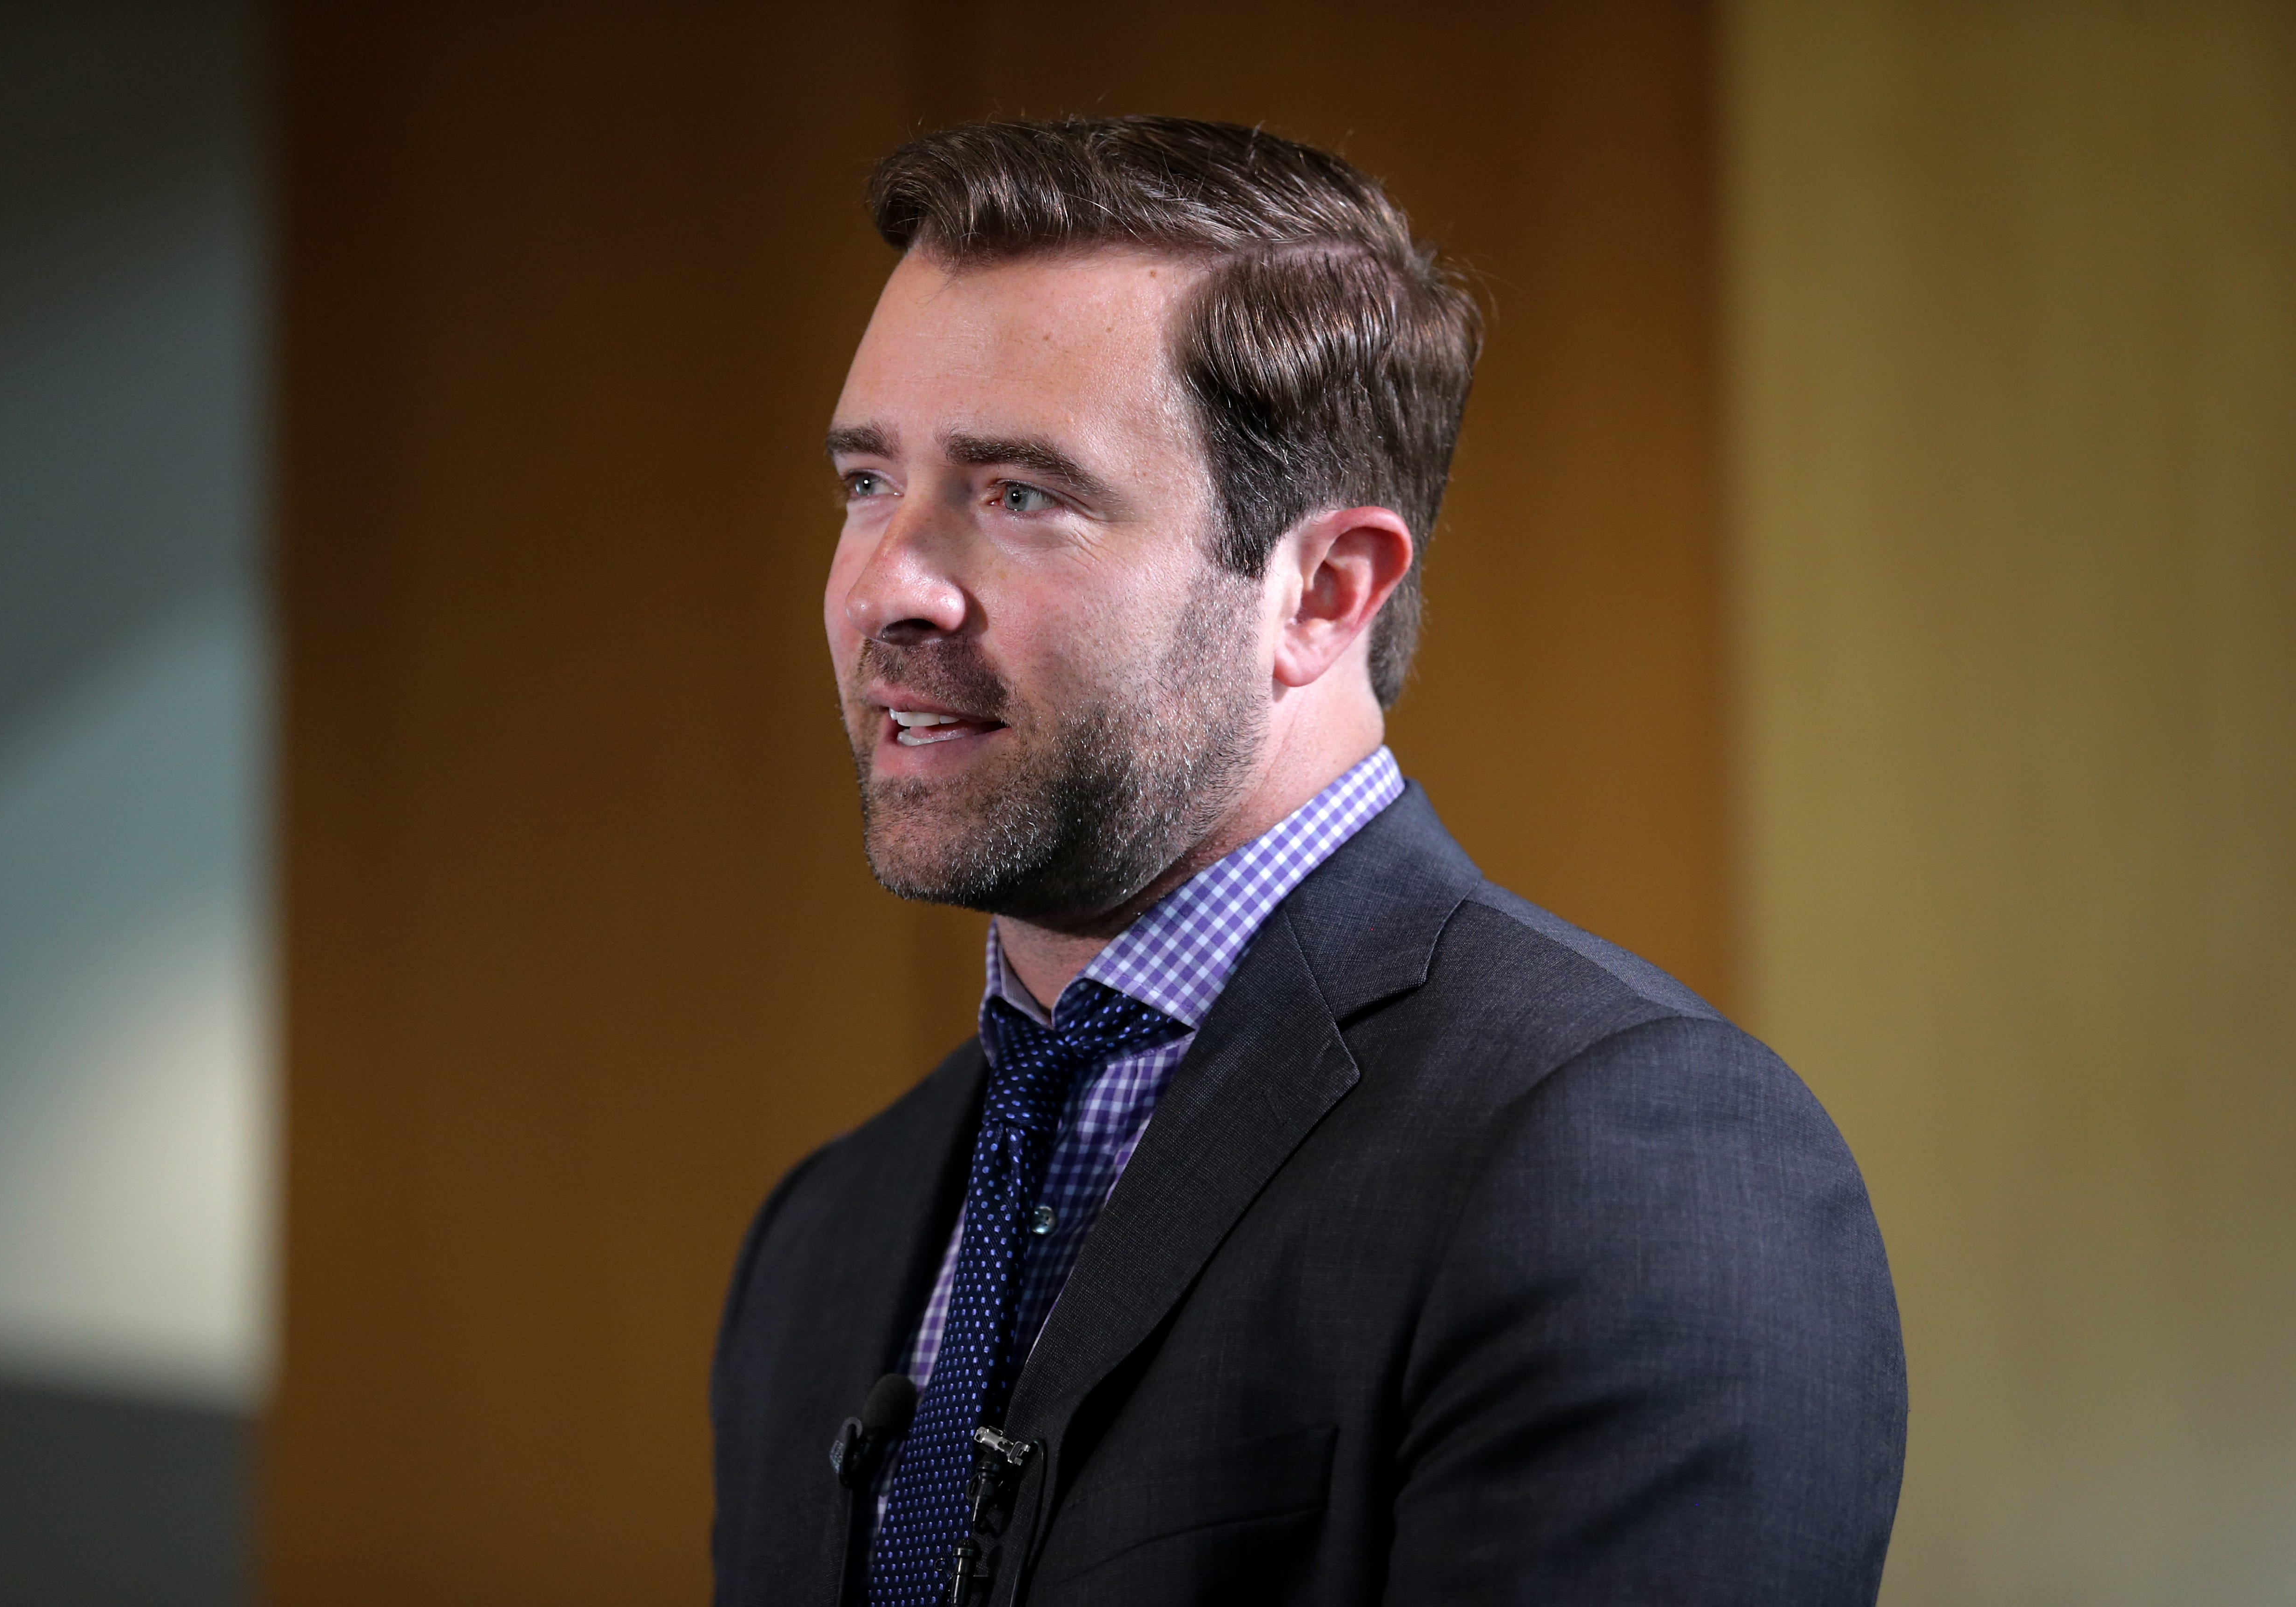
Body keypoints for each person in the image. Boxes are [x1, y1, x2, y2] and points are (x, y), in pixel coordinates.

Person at [710, 116, 1904, 1607]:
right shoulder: (825, 1237)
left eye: (1022, 494)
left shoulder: (1630, 1161)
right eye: (867, 483)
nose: (890, 585)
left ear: (1325, 592)